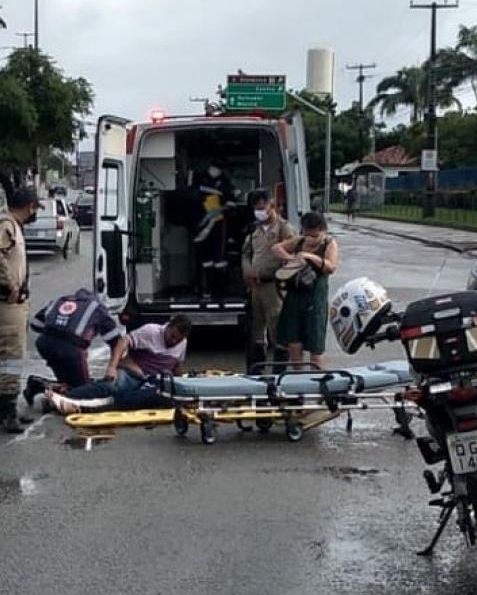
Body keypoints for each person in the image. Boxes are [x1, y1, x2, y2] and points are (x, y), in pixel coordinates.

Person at [0, 186, 42, 434]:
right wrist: (10, 282)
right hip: (6, 302)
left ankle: (3, 412)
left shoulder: (10, 225)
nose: (35, 212)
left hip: (7, 302)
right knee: (11, 358)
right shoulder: (7, 225)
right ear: (30, 206)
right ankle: (7, 413)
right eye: (36, 207)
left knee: (3, 357)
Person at [44, 316, 192, 415]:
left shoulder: (181, 344)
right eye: (172, 336)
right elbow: (123, 342)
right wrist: (112, 367)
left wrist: (181, 385)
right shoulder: (151, 331)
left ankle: (72, 394)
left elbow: (177, 366)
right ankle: (64, 398)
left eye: (178, 340)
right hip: (132, 373)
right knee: (111, 388)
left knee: (133, 399)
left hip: (151, 381)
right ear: (168, 327)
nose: (174, 342)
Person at [27, 288, 126, 399]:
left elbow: (35, 324)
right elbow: (117, 341)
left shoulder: (61, 300)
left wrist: (58, 332)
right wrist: (112, 368)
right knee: (84, 390)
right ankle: (55, 398)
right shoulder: (97, 308)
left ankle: (39, 385)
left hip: (44, 343)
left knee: (69, 382)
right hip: (71, 348)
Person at [273, 212, 340, 371]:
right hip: (295, 296)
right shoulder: (299, 241)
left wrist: (310, 257)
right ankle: (298, 381)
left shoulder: (329, 243)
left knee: (315, 345)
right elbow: (276, 248)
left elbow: (331, 267)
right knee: (294, 343)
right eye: (306, 231)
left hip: (315, 299)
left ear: (321, 229)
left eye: (314, 232)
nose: (310, 236)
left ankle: (316, 383)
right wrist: (293, 259)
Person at [241, 190, 295, 371]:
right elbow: (246, 254)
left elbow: (291, 257)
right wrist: (248, 273)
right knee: (256, 329)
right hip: (255, 287)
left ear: (272, 205)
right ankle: (257, 370)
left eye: (262, 208)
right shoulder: (254, 230)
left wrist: (269, 274)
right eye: (256, 209)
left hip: (274, 286)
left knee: (277, 328)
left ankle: (278, 372)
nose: (259, 212)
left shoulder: (283, 228)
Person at [192, 160, 237, 298]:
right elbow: (231, 204)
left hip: (211, 224)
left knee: (215, 259)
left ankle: (213, 290)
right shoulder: (204, 181)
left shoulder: (221, 183)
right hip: (206, 224)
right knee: (210, 259)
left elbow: (231, 204)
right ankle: (210, 289)